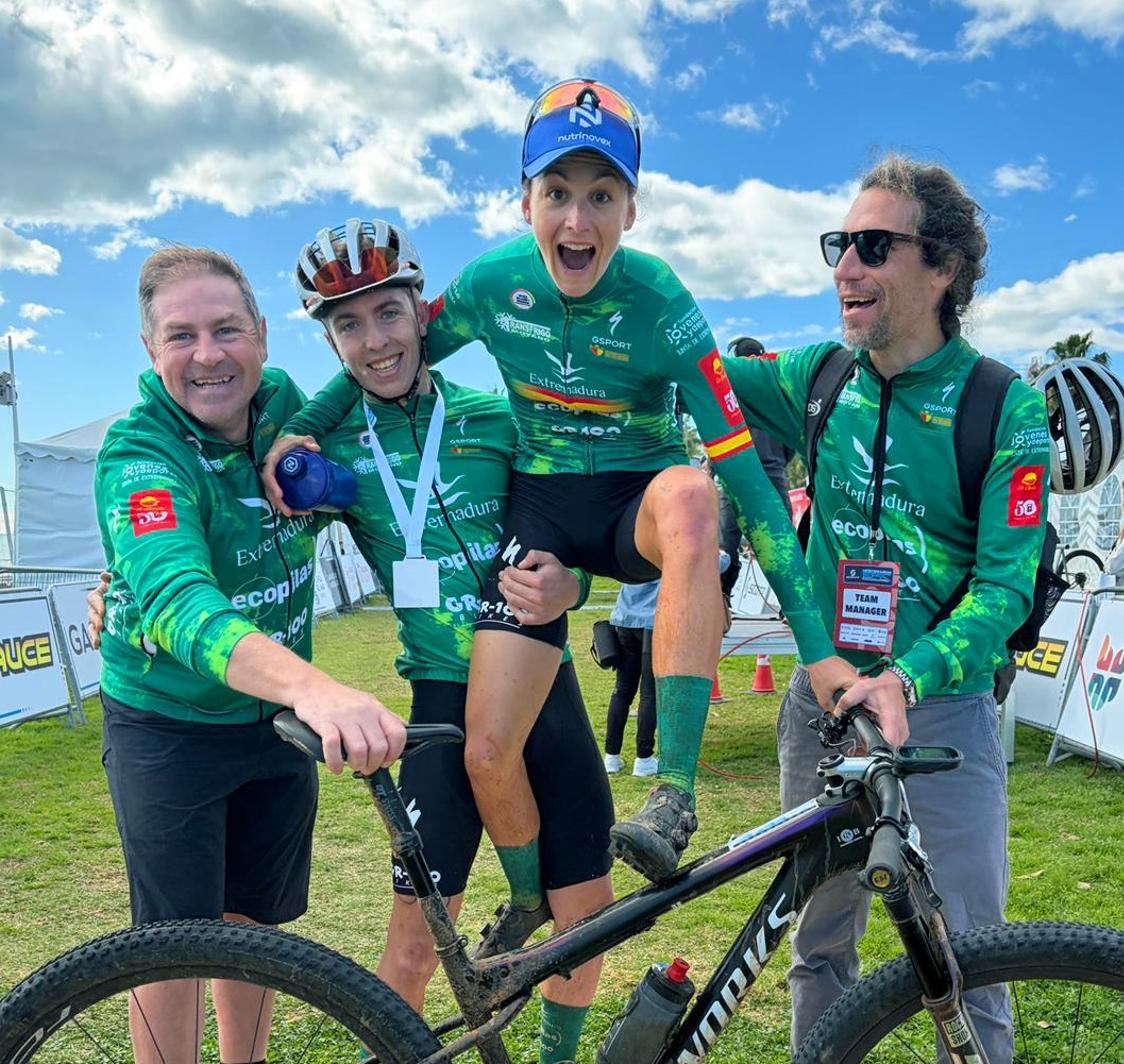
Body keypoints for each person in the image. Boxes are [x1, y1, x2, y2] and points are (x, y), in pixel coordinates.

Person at [265, 79, 857, 904]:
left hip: (633, 502)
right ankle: (524, 902)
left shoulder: (664, 303)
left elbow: (750, 483)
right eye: (557, 195)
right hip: (542, 507)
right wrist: (301, 427)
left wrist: (817, 648)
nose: (577, 221)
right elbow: (386, 352)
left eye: (601, 196)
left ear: (630, 211)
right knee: (486, 751)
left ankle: (674, 796)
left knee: (694, 494)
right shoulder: (491, 282)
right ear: (526, 203)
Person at [723, 154, 1053, 1060]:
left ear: (942, 265)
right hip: (825, 702)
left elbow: (1005, 590)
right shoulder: (819, 375)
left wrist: (907, 676)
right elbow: (691, 372)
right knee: (820, 942)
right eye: (839, 244)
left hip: (939, 712)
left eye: (873, 246)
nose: (845, 267)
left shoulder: (1005, 408)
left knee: (969, 957)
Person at [287, 218, 614, 1064]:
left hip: (540, 687)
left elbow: (572, 537)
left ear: (421, 312)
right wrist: (117, 582)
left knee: (585, 919)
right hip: (439, 704)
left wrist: (573, 586)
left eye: (389, 313)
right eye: (348, 324)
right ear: (329, 340)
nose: (375, 341)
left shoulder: (496, 418)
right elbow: (247, 521)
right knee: (412, 947)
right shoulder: (328, 446)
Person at [93, 246, 407, 1063]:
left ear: (262, 334)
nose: (208, 355)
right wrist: (316, 689)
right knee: (170, 944)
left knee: (255, 926)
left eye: (226, 329)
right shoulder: (138, 451)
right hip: (169, 722)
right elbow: (178, 600)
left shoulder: (288, 405)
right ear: (150, 350)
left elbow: (382, 402)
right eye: (182, 335)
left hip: (270, 722)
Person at [716, 336, 796, 604]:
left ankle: (722, 599)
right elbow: (791, 442)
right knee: (782, 544)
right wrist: (775, 463)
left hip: (737, 478)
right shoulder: (778, 394)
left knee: (726, 545)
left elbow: (716, 438)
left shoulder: (728, 394)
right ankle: (793, 607)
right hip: (767, 476)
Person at [603, 579, 660, 776]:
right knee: (649, 694)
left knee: (622, 691)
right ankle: (644, 758)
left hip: (625, 619)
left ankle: (611, 756)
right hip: (653, 621)